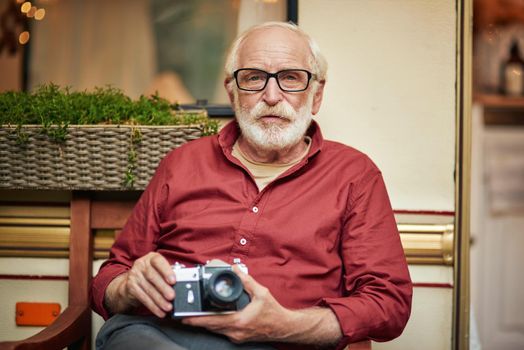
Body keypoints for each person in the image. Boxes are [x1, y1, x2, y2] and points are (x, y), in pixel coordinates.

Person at [91, 21, 412, 350]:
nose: (271, 97)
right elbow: (110, 276)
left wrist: (285, 325)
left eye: (290, 78)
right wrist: (128, 287)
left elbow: (388, 304)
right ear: (232, 92)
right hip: (158, 336)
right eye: (254, 78)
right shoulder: (181, 164)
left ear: (316, 94)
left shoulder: (354, 175)